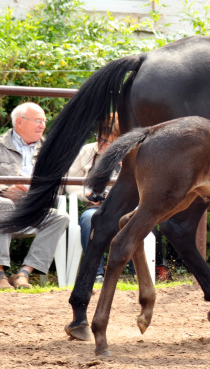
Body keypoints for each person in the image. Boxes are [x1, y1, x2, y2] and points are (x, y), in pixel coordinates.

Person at [0, 102, 69, 289]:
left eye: (44, 121)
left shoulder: (50, 150)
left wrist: (35, 190)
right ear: (19, 122)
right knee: (3, 205)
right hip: (4, 206)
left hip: (33, 207)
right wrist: (7, 187)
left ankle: (23, 273)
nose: (43, 125)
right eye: (38, 121)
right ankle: (0, 275)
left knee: (60, 217)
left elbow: (61, 186)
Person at [65, 117, 131, 283]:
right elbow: (70, 182)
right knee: (88, 219)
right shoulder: (87, 152)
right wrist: (86, 194)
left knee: (138, 221)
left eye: (109, 141)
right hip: (96, 208)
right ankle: (96, 273)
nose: (103, 144)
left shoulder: (131, 153)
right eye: (101, 138)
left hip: (126, 207)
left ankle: (134, 273)